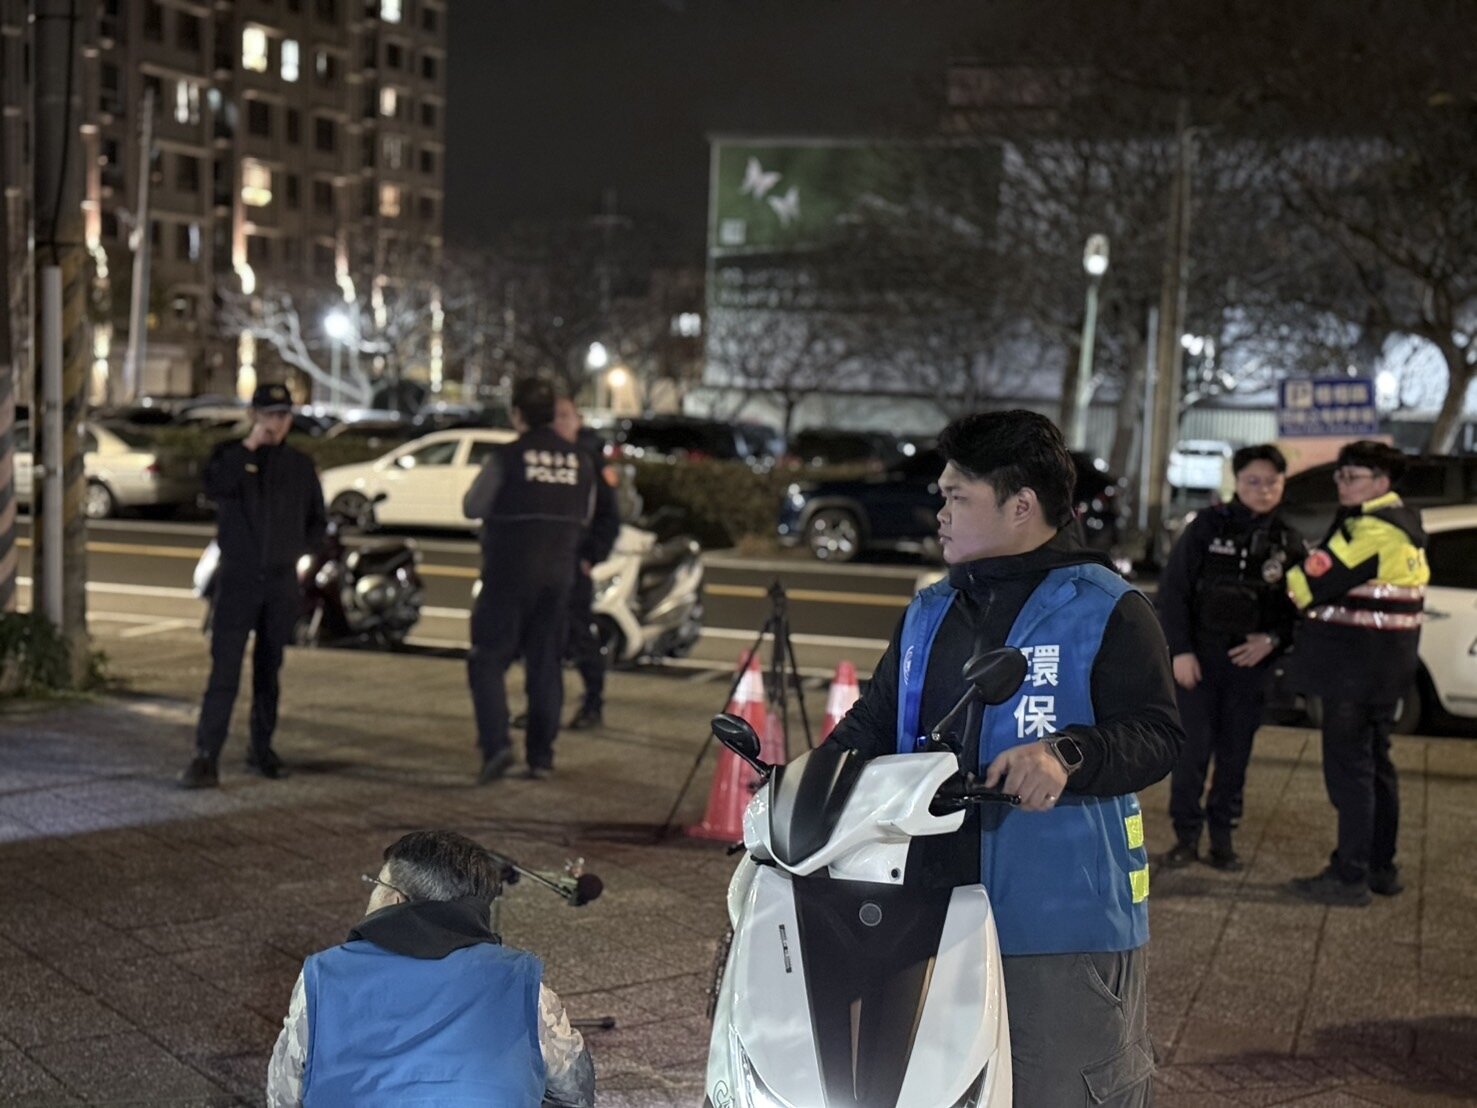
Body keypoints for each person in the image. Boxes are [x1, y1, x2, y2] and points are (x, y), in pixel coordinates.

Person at [827, 410, 1182, 1105]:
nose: (939, 512)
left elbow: (1157, 732)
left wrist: (1068, 753)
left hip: (1057, 922)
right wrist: (802, 790)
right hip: (919, 908)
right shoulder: (930, 609)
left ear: (1021, 505)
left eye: (957, 496)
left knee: (1054, 1090)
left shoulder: (1107, 607)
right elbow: (872, 723)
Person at [266, 830, 595, 1107]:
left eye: (376, 883)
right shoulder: (523, 984)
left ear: (395, 900)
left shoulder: (323, 977)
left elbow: (283, 1095)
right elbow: (576, 1091)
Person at [1285, 440, 1429, 907]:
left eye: (1353, 477)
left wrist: (1293, 568)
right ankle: (1380, 868)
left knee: (1351, 773)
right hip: (1386, 669)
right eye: (1340, 476)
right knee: (1378, 766)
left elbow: (1307, 586)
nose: (1342, 484)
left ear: (1381, 484)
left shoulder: (1368, 530)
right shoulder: (1406, 524)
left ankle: (1349, 875)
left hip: (1353, 669)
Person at [1156, 444, 1305, 871]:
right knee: (1192, 754)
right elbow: (1174, 592)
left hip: (1250, 667)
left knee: (1235, 755)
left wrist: (1273, 640)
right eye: (1252, 482)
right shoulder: (1207, 526)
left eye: (1271, 482)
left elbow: (1298, 609)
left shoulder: (1287, 539)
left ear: (1282, 484)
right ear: (1236, 483)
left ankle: (1223, 839)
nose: (1262, 490)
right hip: (1199, 662)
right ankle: (1186, 837)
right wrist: (1179, 651)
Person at [180, 382, 325, 789]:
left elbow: (318, 519)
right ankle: (206, 755)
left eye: (282, 416)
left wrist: (299, 553)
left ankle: (262, 748)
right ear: (253, 416)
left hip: (279, 582)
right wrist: (248, 448)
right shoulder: (230, 456)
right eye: (268, 415)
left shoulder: (299, 465)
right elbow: (214, 487)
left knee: (269, 669)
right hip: (237, 578)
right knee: (224, 669)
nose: (275, 424)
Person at [463, 378, 595, 783]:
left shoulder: (507, 456)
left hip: (507, 572)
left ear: (517, 415)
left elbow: (472, 506)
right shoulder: (580, 462)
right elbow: (586, 516)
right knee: (545, 665)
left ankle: (498, 745)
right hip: (558, 576)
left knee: (487, 659)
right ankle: (541, 756)